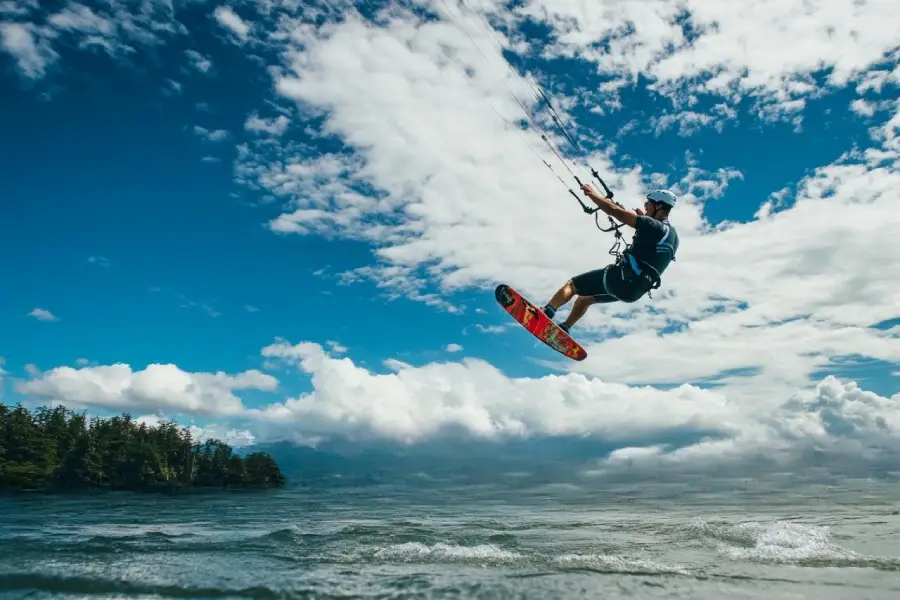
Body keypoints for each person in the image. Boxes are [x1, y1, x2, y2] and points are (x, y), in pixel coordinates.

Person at [541, 184, 680, 333]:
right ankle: (565, 328)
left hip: (621, 279)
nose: (645, 207)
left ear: (659, 206)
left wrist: (592, 195)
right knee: (585, 298)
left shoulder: (653, 226)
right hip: (635, 291)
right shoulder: (674, 237)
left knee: (573, 285)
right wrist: (643, 218)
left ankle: (546, 311)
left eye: (648, 204)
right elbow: (653, 249)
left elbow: (615, 211)